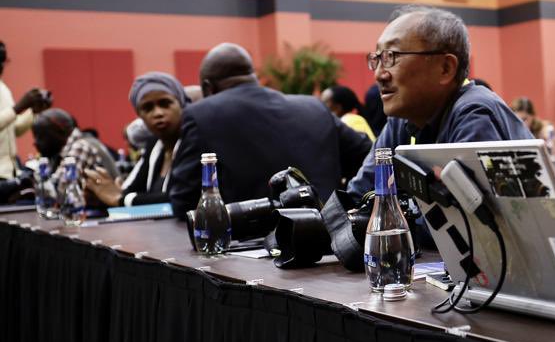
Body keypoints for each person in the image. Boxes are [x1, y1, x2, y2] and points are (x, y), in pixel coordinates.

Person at [347, 6, 532, 198]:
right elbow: (357, 196)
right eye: (377, 59)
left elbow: (471, 221)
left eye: (392, 57)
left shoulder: (474, 113)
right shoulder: (403, 120)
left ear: (445, 68)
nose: (379, 75)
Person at [169, 43, 372, 213]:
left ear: (207, 87)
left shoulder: (200, 115)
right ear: (252, 74)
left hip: (246, 248)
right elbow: (367, 156)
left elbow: (183, 201)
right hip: (329, 239)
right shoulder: (314, 107)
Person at [85, 72, 188, 208]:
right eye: (148, 108)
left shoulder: (193, 143)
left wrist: (121, 199)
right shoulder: (154, 145)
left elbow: (180, 196)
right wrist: (99, 195)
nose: (158, 113)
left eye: (165, 103)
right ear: (140, 115)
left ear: (180, 104)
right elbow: (129, 190)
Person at [32, 108, 118, 208]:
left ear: (61, 133)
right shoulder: (60, 151)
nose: (36, 142)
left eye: (41, 136)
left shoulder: (81, 146)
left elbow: (59, 193)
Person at [0, 41, 51, 179]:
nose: (1, 65)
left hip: (9, 172)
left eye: (3, 59)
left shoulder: (3, 88)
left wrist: (33, 110)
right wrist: (17, 109)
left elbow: (14, 129)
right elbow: (12, 114)